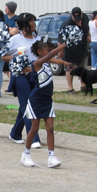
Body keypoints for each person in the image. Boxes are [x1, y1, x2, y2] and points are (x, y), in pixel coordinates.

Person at [20, 39, 67, 168]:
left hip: (47, 100)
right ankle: (26, 154)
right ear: (40, 52)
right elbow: (50, 56)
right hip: (36, 100)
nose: (50, 53)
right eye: (48, 51)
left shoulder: (46, 62)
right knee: (34, 128)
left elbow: (53, 59)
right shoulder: (37, 63)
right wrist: (62, 46)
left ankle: (51, 157)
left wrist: (65, 62)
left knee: (50, 128)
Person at [3, 13, 41, 147]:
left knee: (26, 105)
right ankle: (34, 137)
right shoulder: (15, 39)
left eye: (34, 21)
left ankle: (15, 133)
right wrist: (17, 59)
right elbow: (3, 56)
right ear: (23, 24)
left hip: (35, 76)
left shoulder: (38, 39)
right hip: (20, 75)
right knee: (27, 104)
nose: (33, 23)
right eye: (31, 21)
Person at [61, 7, 90, 94]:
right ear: (71, 15)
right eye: (75, 18)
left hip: (82, 48)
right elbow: (61, 39)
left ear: (81, 14)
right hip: (70, 51)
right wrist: (61, 51)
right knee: (69, 69)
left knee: (82, 67)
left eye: (79, 18)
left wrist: (89, 36)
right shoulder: (67, 24)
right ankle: (70, 88)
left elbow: (87, 28)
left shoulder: (85, 18)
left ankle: (83, 86)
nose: (77, 20)